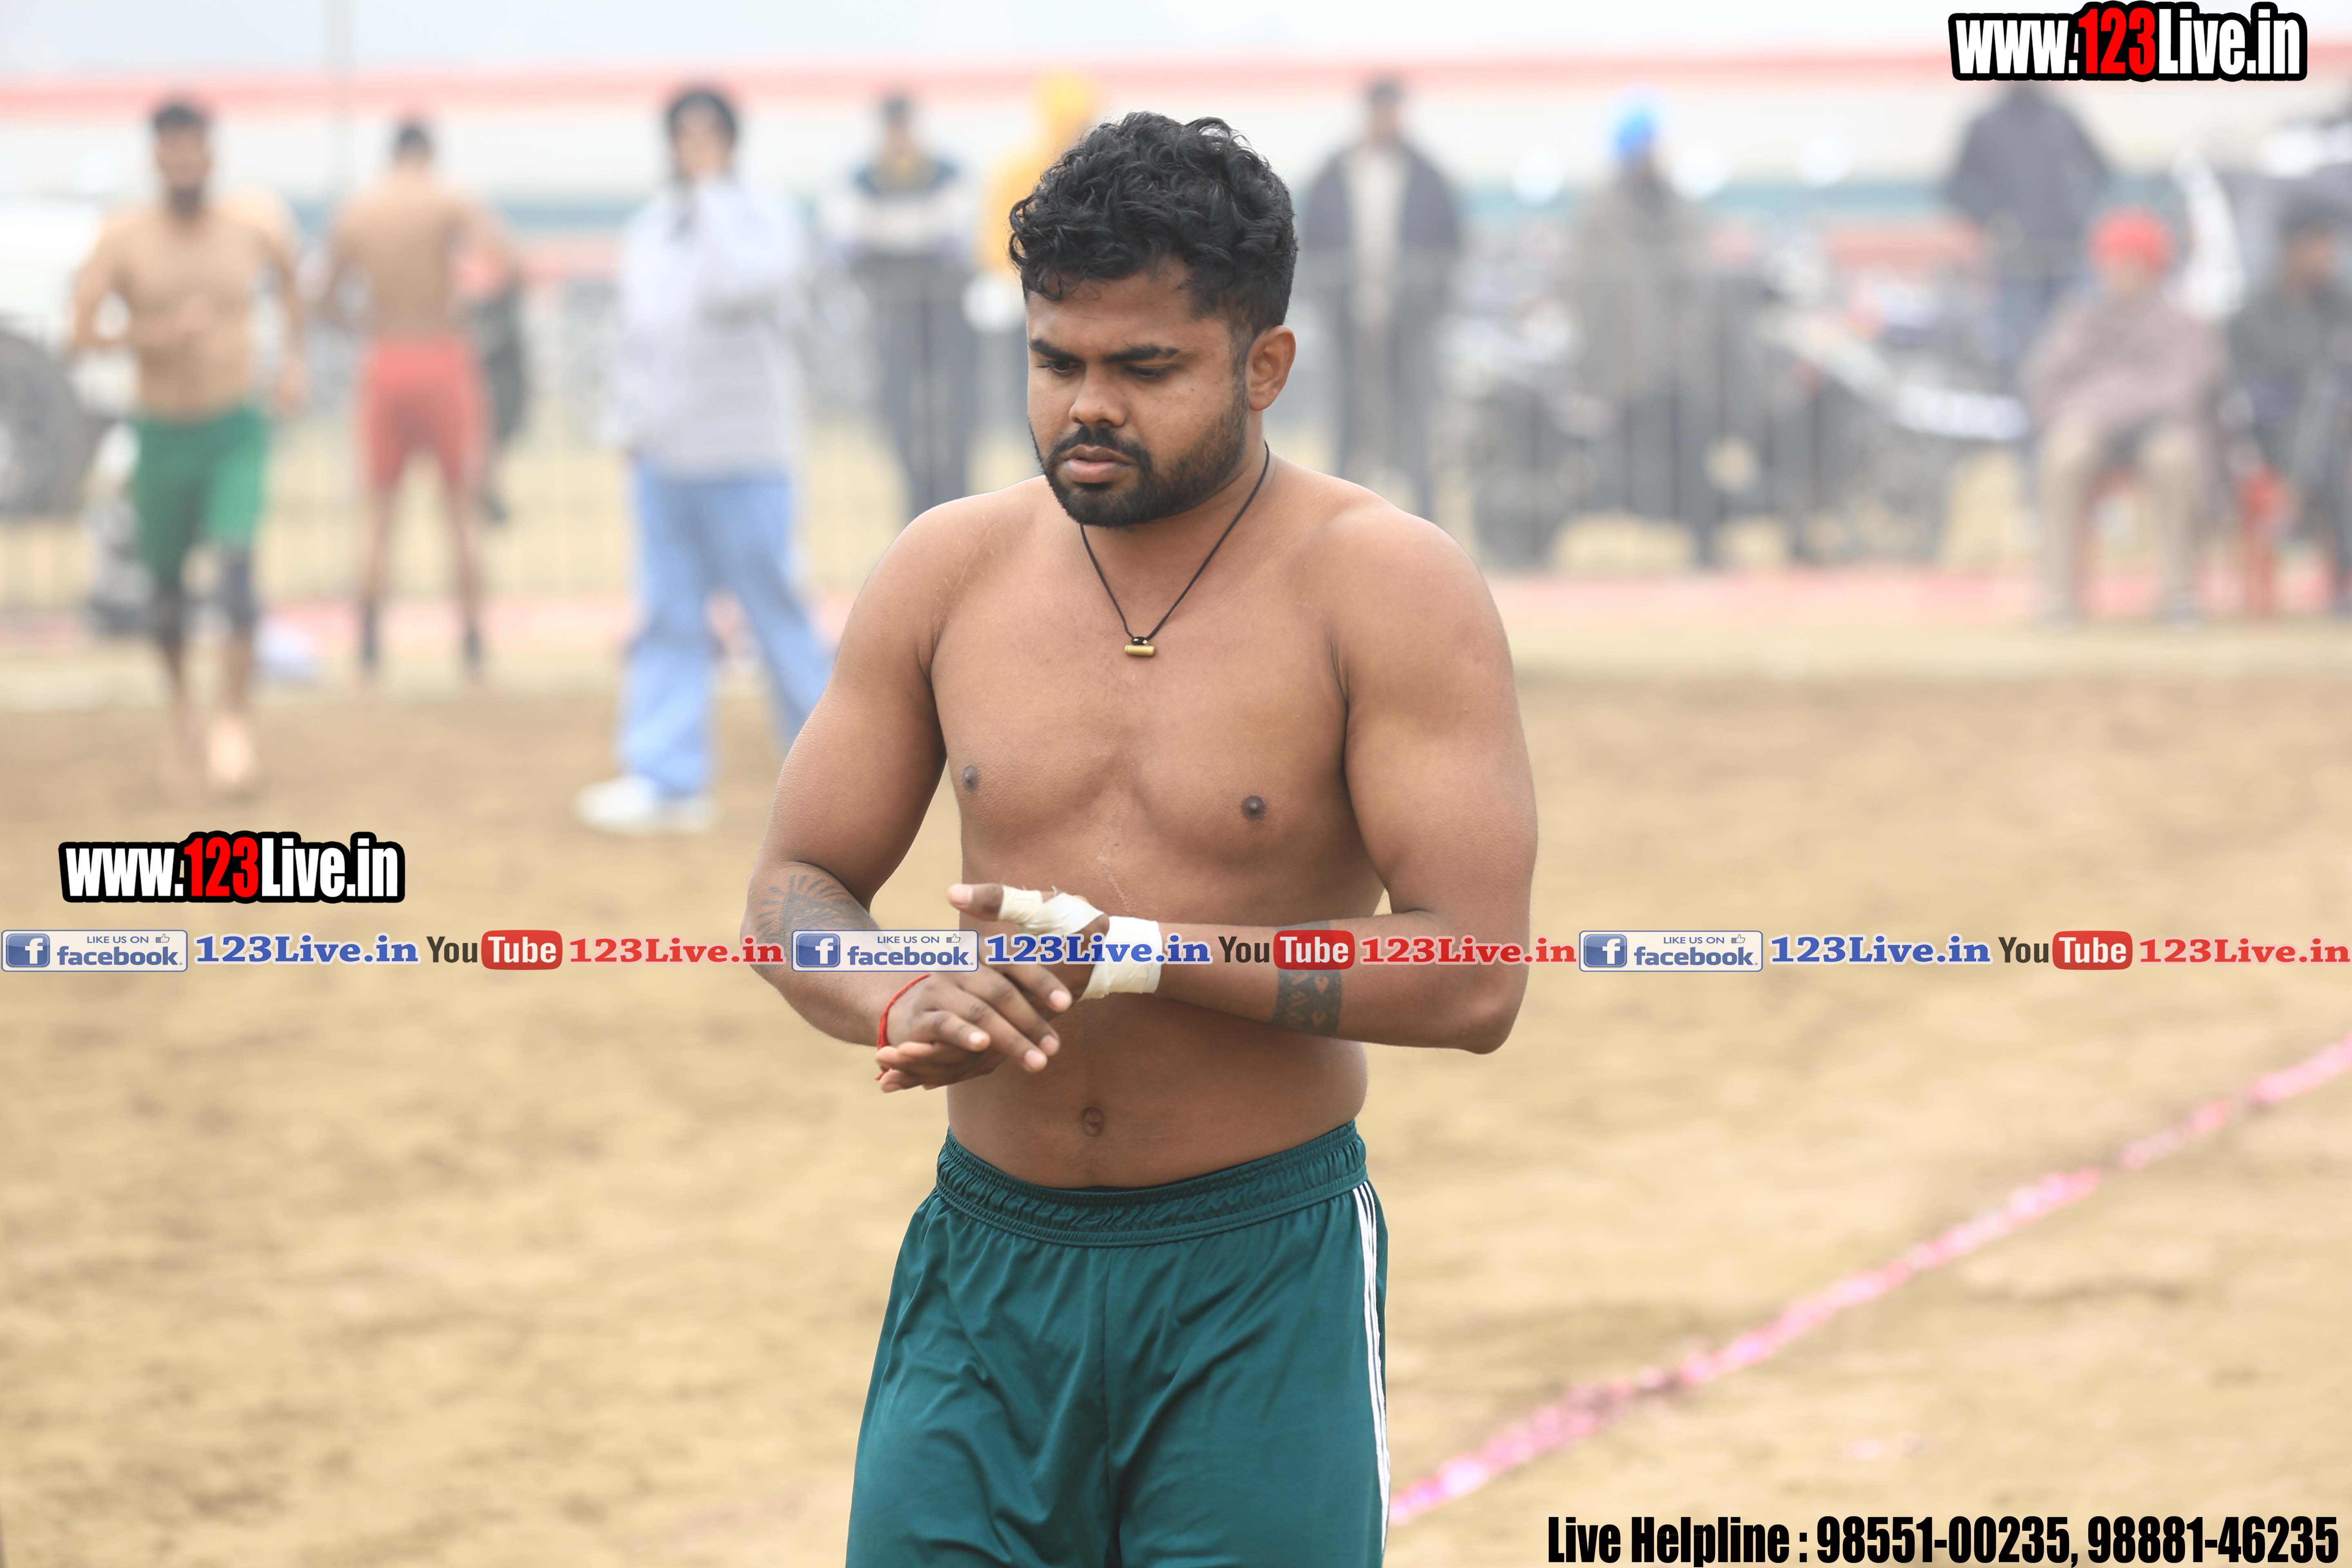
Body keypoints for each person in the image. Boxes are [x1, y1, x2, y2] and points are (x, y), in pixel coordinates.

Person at [741, 113, 1535, 1565]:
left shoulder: (1385, 587)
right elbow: (796, 886)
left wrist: (1149, 955)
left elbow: (1474, 975)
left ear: (1264, 364)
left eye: (1144, 369)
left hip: (1256, 1275)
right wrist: (897, 993)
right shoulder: (947, 569)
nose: (1086, 407)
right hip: (986, 1268)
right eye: (1055, 362)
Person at [577, 85, 833, 834]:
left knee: (777, 611)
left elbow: (736, 288)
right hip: (665, 457)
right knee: (667, 615)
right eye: (683, 136)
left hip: (747, 452)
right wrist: (628, 424)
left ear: (730, 140)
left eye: (708, 134)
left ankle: (833, 769)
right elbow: (637, 338)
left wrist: (715, 193)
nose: (694, 147)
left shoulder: (766, 218)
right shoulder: (651, 228)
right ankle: (666, 777)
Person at [69, 98, 305, 796]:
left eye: (194, 147)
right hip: (163, 431)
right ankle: (183, 722)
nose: (184, 161)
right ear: (156, 156)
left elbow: (294, 288)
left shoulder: (252, 227)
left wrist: (292, 363)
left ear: (211, 152)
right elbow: (81, 333)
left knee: (236, 578)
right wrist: (149, 337)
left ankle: (234, 727)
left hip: (234, 428)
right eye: (172, 149)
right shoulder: (125, 238)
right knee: (167, 599)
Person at [321, 118, 514, 679]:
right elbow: (508, 260)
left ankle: (369, 645)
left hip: (385, 357)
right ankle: (472, 643)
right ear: (429, 153)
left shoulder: (359, 210)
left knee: (379, 515)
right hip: (443, 354)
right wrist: (467, 304)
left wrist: (366, 323)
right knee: (460, 512)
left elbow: (326, 298)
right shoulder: (448, 200)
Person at [2025, 209, 2227, 623]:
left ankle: (2179, 593)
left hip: (2160, 428)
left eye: (2136, 263)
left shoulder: (2186, 324)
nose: (2124, 274)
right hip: (2089, 426)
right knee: (2062, 456)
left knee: (2178, 459)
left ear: (2157, 268)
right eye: (2116, 263)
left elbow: (2188, 391)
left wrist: (2112, 403)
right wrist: (2096, 411)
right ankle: (2059, 596)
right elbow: (2043, 386)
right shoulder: (2077, 320)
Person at [1570, 96, 1733, 567]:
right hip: (1630, 366)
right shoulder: (1603, 213)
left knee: (1693, 457)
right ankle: (1641, 554)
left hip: (1682, 365)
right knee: (1636, 466)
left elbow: (1696, 277)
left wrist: (1688, 344)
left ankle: (1703, 544)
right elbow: (1595, 290)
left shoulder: (1676, 206)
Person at [1298, 78, 1462, 521]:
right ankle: (1337, 518)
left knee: (1415, 421)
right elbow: (1312, 243)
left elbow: (1450, 246)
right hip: (1345, 319)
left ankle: (1424, 520)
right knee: (1346, 421)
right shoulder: (1334, 173)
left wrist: (1428, 298)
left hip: (1412, 320)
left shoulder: (1427, 176)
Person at [835, 92, 978, 520]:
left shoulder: (944, 174)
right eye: (892, 127)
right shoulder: (863, 180)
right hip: (894, 312)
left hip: (944, 309)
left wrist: (891, 245)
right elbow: (849, 243)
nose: (899, 137)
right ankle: (917, 501)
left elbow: (954, 237)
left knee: (956, 406)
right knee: (897, 408)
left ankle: (956, 498)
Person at [2229, 200, 2352, 612]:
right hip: (2273, 433)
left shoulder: (2343, 306)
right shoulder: (2253, 315)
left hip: (2340, 428)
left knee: (2334, 420)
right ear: (2290, 250)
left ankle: (2295, 503)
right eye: (2319, 246)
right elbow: (2250, 390)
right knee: (2332, 436)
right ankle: (2345, 576)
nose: (2329, 257)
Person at [1943, 83, 2111, 385]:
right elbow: (1955, 188)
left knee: (2080, 344)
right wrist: (1993, 219)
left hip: (2067, 255)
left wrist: (2078, 214)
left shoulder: (2061, 118)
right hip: (2017, 261)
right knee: (2020, 352)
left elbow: (2101, 172)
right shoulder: (1986, 126)